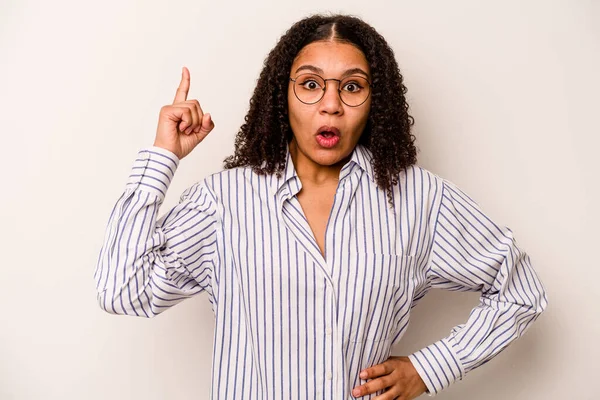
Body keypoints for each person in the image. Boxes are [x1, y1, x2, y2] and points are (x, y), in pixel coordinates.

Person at [94, 14, 548, 400]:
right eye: (310, 84)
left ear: (376, 102)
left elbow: (520, 290)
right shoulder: (223, 202)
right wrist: (162, 154)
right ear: (282, 95)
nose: (330, 105)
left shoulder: (419, 200)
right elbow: (121, 289)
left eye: (352, 87)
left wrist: (431, 369)